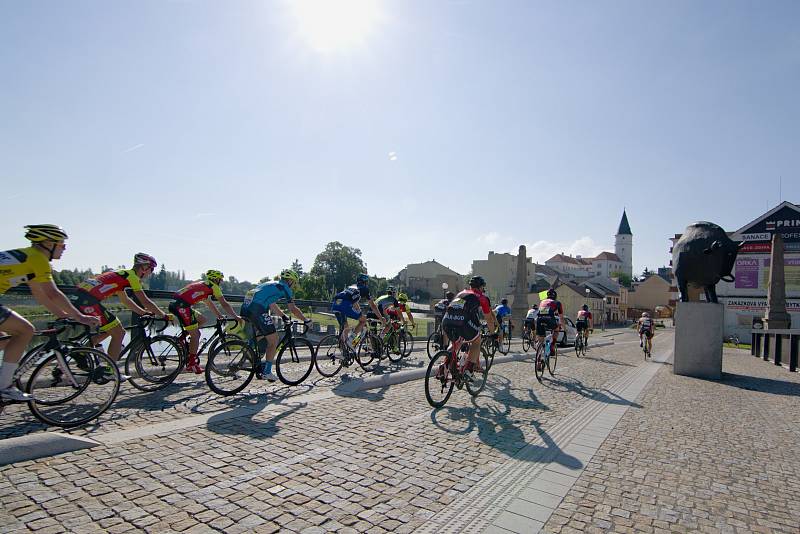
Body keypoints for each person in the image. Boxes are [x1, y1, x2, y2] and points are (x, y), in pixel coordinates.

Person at [0, 225, 100, 401]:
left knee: (5, 340)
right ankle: (5, 387)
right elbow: (53, 293)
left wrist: (64, 315)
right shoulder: (38, 259)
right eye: (61, 244)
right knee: (25, 330)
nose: (64, 248)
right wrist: (80, 317)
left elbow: (41, 296)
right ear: (48, 243)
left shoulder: (27, 257)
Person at [73, 253, 168, 366]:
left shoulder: (122, 274)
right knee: (119, 332)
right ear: (144, 267)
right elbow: (145, 301)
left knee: (110, 330)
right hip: (88, 301)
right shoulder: (132, 277)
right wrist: (164, 315)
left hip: (80, 297)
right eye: (151, 269)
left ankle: (81, 351)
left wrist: (143, 312)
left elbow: (125, 300)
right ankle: (111, 369)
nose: (151, 273)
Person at [240, 269, 311, 382]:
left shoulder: (270, 284)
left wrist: (283, 316)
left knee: (264, 333)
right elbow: (293, 309)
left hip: (245, 308)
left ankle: (248, 347)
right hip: (257, 310)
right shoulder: (285, 288)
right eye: (294, 282)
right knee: (274, 340)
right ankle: (267, 372)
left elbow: (272, 304)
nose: (294, 285)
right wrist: (305, 320)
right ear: (290, 281)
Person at [169, 270, 241, 374]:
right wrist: (236, 316)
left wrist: (218, 315)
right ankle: (191, 364)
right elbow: (224, 304)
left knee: (202, 319)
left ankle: (181, 339)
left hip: (178, 305)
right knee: (196, 335)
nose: (221, 282)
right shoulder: (213, 287)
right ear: (215, 279)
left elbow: (209, 303)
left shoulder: (203, 284)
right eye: (220, 280)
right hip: (182, 307)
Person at [441, 276, 497, 380]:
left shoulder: (461, 293)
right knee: (477, 341)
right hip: (462, 321)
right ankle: (469, 370)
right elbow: (489, 318)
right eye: (483, 287)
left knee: (457, 342)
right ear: (480, 287)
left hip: (447, 320)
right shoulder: (482, 297)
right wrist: (493, 333)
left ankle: (444, 365)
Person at [535, 288, 564, 368]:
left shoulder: (542, 301)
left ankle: (538, 361)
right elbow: (561, 317)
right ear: (555, 296)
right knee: (556, 330)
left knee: (541, 340)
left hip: (539, 320)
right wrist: (563, 327)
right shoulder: (557, 302)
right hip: (550, 319)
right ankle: (552, 345)